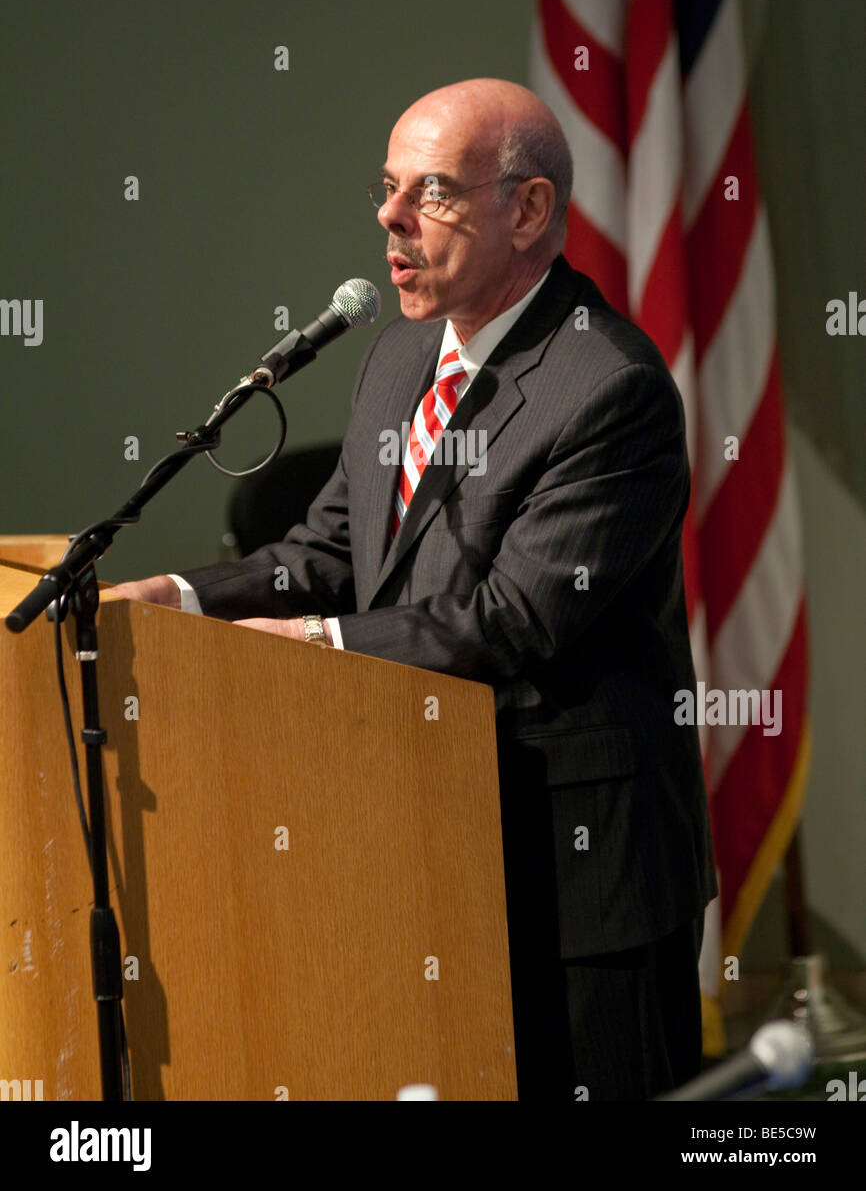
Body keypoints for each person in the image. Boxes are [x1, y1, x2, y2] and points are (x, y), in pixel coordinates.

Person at [110, 77, 717, 1100]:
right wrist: (172, 600)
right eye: (388, 188)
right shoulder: (394, 357)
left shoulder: (608, 387)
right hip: (419, 838)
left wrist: (304, 646)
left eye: (431, 191)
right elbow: (330, 551)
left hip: (574, 871)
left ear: (525, 210)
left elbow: (512, 619)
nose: (390, 217)